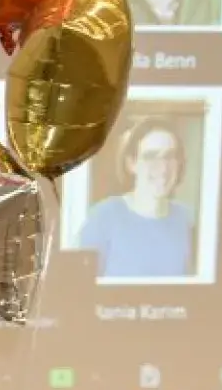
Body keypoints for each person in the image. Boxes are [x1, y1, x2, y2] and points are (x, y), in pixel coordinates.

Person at [76, 116, 197, 279]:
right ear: (131, 163)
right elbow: (80, 288)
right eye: (150, 156)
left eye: (170, 156)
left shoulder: (188, 220)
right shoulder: (103, 218)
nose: (162, 167)